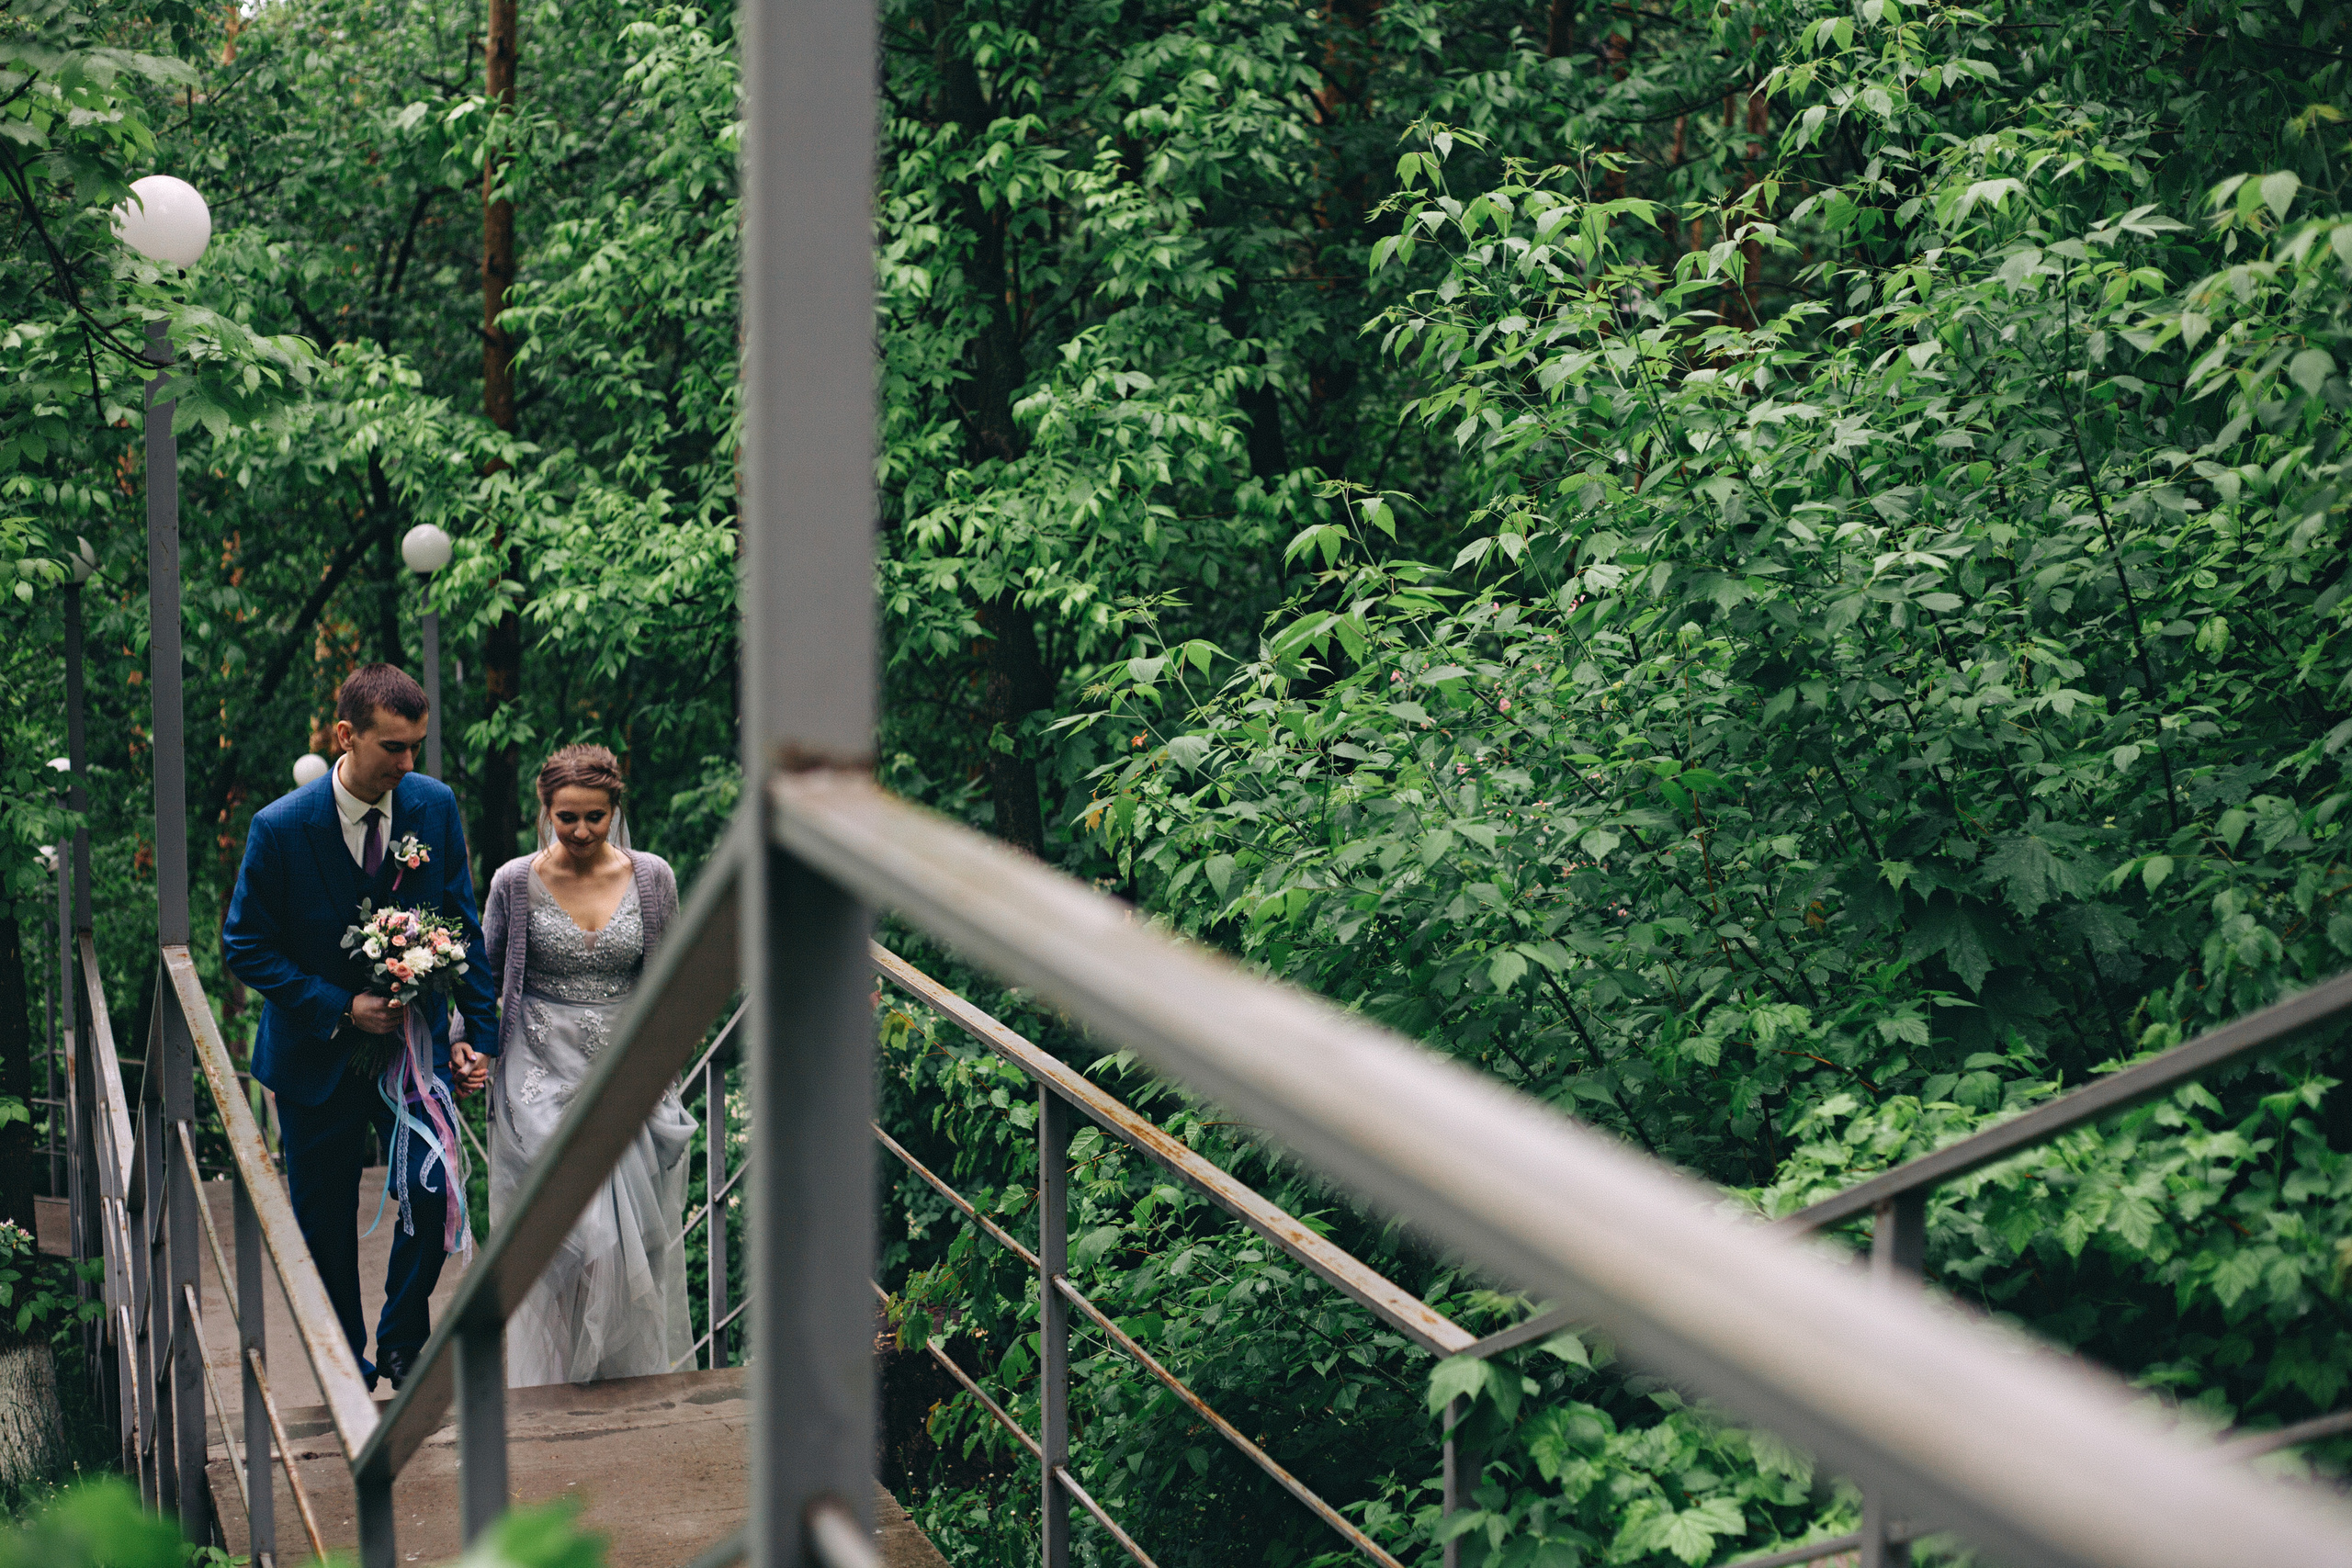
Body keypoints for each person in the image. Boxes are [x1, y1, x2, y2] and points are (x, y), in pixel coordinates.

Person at [222, 664, 497, 1393]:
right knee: (326, 1223)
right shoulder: (280, 828)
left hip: (415, 1052)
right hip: (315, 1059)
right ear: (346, 735)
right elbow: (243, 944)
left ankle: (404, 1337)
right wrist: (341, 1007)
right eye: (394, 748)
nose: (409, 764)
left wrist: (479, 1034)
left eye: (417, 747)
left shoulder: (433, 808)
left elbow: (463, 923)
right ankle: (346, 1361)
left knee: (433, 1190)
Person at [483, 744, 695, 1386]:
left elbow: (673, 979)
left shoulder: (653, 877)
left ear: (615, 811)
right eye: (566, 817)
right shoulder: (513, 882)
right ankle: (558, 1378)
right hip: (539, 1072)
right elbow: (484, 973)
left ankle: (615, 1375)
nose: (578, 831)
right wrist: (465, 1044)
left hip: (624, 1074)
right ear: (544, 811)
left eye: (594, 817)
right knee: (572, 1233)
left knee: (629, 1237)